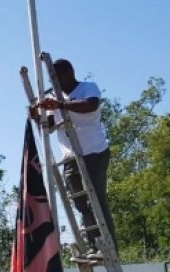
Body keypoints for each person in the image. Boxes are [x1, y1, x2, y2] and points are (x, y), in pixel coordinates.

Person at [34, 58, 113, 256]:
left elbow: (91, 106)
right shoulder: (55, 97)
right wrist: (35, 114)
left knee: (96, 199)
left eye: (57, 77)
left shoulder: (87, 88)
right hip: (70, 156)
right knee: (81, 204)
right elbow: (50, 126)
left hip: (93, 152)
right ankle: (95, 245)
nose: (55, 83)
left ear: (68, 72)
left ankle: (108, 246)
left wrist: (60, 104)